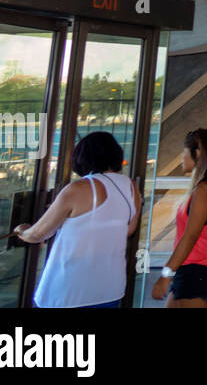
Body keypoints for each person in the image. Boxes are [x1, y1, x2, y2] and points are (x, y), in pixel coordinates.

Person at [15, 132, 140, 308]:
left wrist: (22, 231)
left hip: (68, 290)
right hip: (110, 289)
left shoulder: (78, 188)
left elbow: (38, 233)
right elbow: (129, 229)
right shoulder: (130, 186)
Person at [151, 128, 207, 308]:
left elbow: (191, 236)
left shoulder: (204, 191)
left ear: (198, 153)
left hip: (195, 273)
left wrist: (165, 274)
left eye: (184, 150)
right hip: (195, 273)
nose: (181, 156)